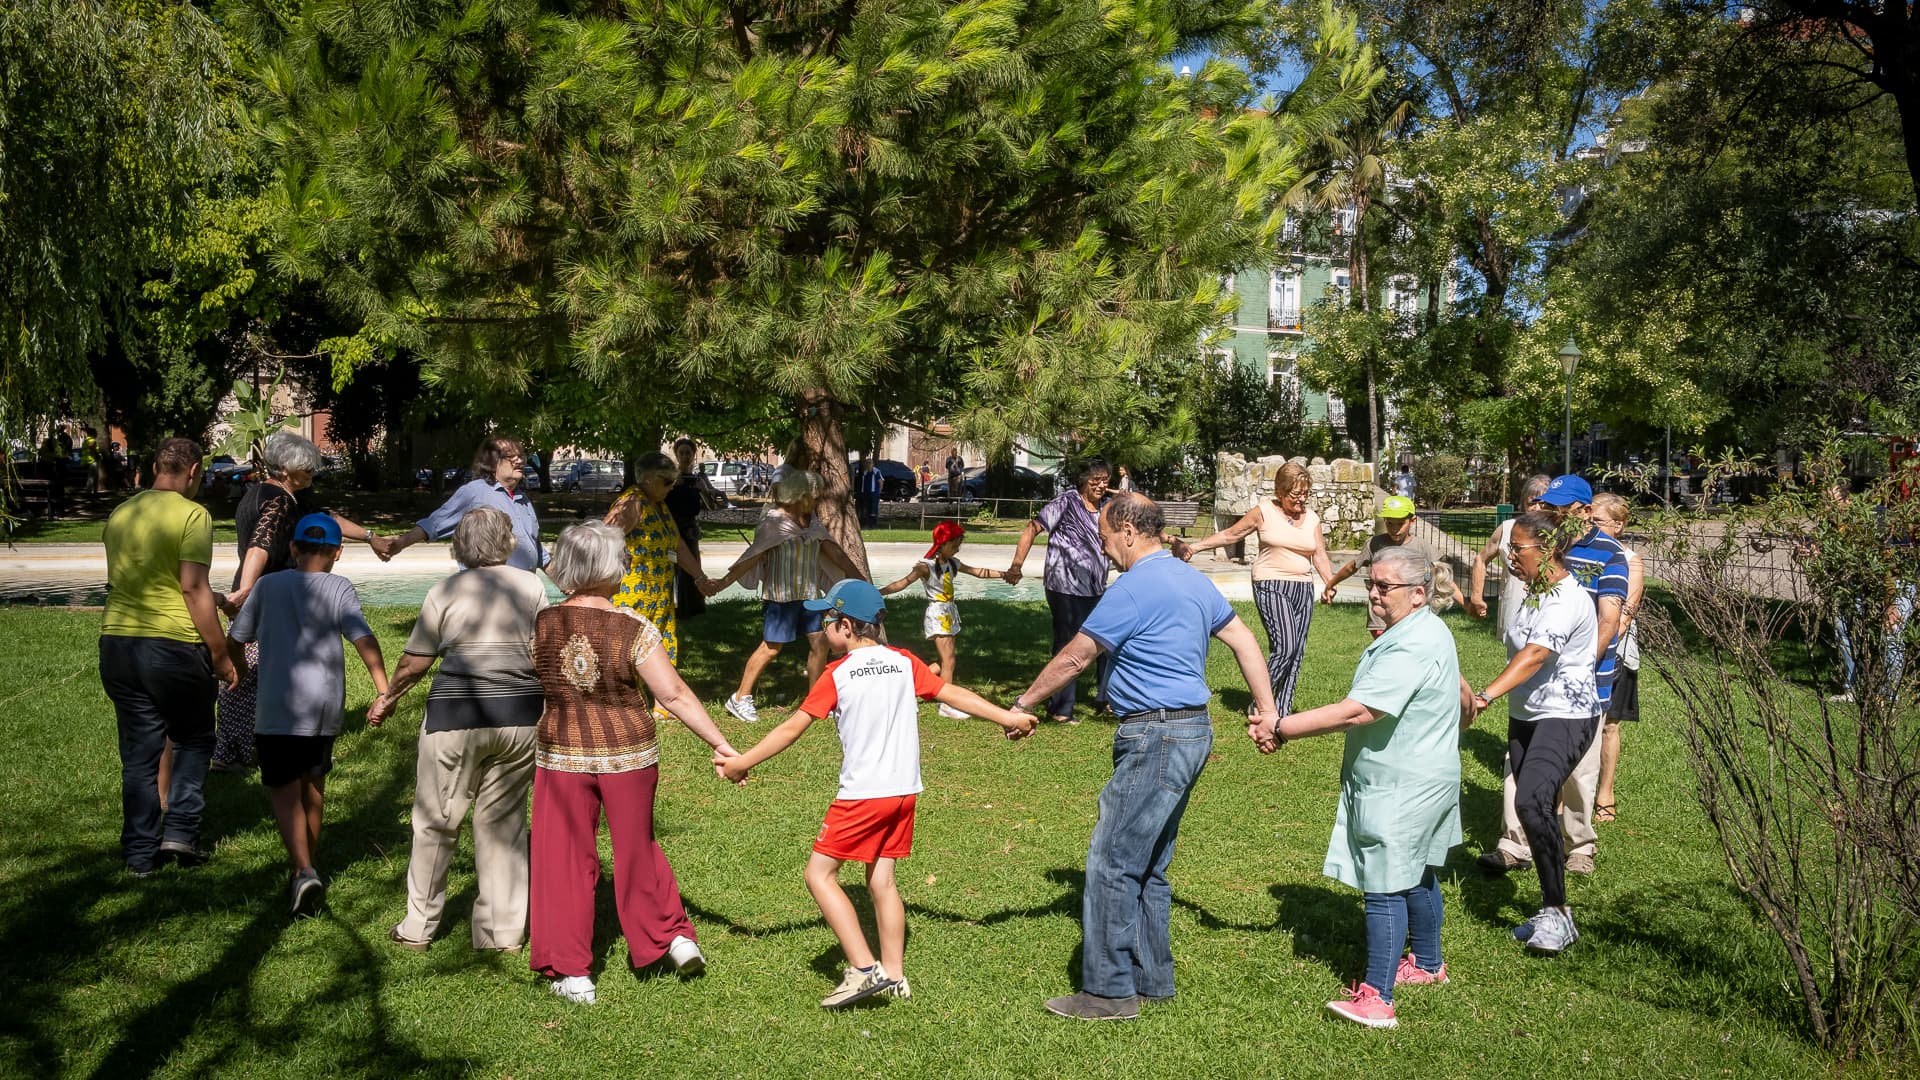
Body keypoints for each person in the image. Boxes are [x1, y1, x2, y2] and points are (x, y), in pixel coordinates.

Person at [1011, 494, 1280, 1020]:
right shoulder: (1192, 579)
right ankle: (1152, 978)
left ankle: (1108, 992)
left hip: (1154, 734)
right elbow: (1246, 642)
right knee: (1150, 862)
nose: (1105, 550)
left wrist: (1022, 704)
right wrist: (1267, 711)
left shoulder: (1134, 586)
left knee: (1111, 861)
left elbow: (1075, 655)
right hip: (1194, 731)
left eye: (1107, 539)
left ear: (1130, 532)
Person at [717, 579, 1035, 1007]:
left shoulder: (837, 674)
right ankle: (895, 975)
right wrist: (1006, 717)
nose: (822, 625)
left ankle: (865, 970)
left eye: (826, 618)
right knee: (882, 880)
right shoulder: (904, 662)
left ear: (846, 626)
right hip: (904, 791)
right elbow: (952, 692)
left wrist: (742, 762)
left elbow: (793, 727)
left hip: (862, 796)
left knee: (819, 875)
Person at [1252, 546, 1476, 1028]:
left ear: (1418, 594)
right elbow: (1461, 692)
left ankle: (1377, 997)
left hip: (1401, 783)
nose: (1374, 593)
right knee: (1417, 871)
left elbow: (1360, 711)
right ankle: (1430, 965)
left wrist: (1281, 726)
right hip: (1428, 774)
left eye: (1385, 587)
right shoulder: (1429, 628)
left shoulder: (1411, 641)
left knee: (1385, 881)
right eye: (1371, 584)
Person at [529, 522, 743, 1005]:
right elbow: (673, 694)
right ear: (609, 568)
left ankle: (574, 971)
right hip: (630, 753)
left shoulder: (541, 623)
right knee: (637, 847)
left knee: (563, 858)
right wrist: (721, 743)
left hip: (562, 753)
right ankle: (672, 936)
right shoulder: (633, 626)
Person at [370, 508, 548, 951]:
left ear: (461, 545)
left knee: (436, 821)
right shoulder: (529, 585)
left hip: (455, 716)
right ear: (506, 542)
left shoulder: (445, 590)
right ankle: (500, 933)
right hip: (521, 718)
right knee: (503, 824)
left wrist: (388, 697)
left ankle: (419, 927)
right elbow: (543, 650)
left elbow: (415, 662)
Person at [225, 514, 389, 916]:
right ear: (338, 552)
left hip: (279, 706)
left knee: (283, 791)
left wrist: (241, 671)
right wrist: (385, 690)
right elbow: (362, 638)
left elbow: (236, 639)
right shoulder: (339, 587)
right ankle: (307, 872)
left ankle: (302, 869)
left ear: (293, 549)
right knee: (313, 786)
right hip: (323, 706)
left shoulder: (267, 585)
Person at [99, 437, 240, 876]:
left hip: (118, 643)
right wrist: (220, 653)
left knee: (140, 754)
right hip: (174, 646)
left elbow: (144, 579)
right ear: (194, 471)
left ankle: (140, 855)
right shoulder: (193, 514)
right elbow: (190, 588)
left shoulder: (122, 513)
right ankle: (179, 832)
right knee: (194, 737)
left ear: (156, 466)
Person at [1477, 475, 1627, 878]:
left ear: (1582, 511)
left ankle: (1579, 844)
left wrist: (1574, 665)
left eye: (1558, 507)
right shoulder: (1547, 547)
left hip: (1583, 681)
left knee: (1579, 769)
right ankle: (1514, 842)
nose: (1548, 512)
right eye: (1548, 506)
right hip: (1534, 679)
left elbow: (1608, 620)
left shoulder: (1610, 554)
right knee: (1519, 760)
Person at [215, 432, 389, 772]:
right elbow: (260, 545)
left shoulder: (264, 494)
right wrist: (246, 590)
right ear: (284, 469)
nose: (311, 476)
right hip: (263, 597)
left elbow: (329, 518)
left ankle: (246, 747)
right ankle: (231, 754)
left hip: (265, 595)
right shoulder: (279, 502)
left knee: (252, 676)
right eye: (305, 470)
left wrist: (370, 537)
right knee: (243, 678)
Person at [1466, 511, 1599, 955]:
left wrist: (1484, 696)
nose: (1509, 557)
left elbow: (1536, 655)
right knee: (1534, 808)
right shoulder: (1533, 592)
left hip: (1567, 714)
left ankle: (1558, 913)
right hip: (1528, 714)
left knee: (1530, 801)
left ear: (1548, 551)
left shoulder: (1565, 598)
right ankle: (1550, 908)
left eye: (1517, 548)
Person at [1174, 462, 1335, 715]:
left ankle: (1281, 711)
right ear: (1281, 491)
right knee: (1285, 647)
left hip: (1302, 588)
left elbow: (1321, 556)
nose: (1301, 499)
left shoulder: (1312, 518)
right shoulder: (1264, 511)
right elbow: (1230, 535)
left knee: (1297, 651)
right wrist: (1195, 547)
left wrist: (1330, 583)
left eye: (1305, 493)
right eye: (1296, 494)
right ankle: (1261, 703)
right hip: (1270, 583)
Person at [704, 471, 863, 723]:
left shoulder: (812, 523)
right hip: (780, 598)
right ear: (801, 496)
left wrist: (861, 582)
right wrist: (721, 584)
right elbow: (751, 558)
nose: (818, 498)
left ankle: (815, 701)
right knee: (771, 648)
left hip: (810, 597)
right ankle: (739, 698)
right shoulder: (774, 522)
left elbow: (837, 555)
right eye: (814, 494)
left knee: (820, 644)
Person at [1006, 459, 1117, 722]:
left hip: (1094, 587)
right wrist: (1017, 564)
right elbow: (1032, 529)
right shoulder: (1066, 503)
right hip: (1063, 586)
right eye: (1095, 480)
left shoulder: (1106, 507)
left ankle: (1107, 699)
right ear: (1082, 481)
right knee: (1068, 644)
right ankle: (1060, 709)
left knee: (1108, 642)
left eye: (1105, 480)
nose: (1101, 485)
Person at [877, 521, 1010, 718]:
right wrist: (878, 592)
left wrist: (1005, 575)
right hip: (938, 614)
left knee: (943, 661)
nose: (957, 549)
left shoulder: (953, 564)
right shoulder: (926, 567)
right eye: (955, 545)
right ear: (943, 543)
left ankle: (908, 689)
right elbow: (903, 583)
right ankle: (947, 704)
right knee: (949, 660)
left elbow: (978, 572)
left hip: (949, 613)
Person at [605, 452, 711, 672]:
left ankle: (662, 706)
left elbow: (677, 544)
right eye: (667, 482)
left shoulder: (658, 504)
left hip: (659, 598)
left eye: (673, 481)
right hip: (632, 599)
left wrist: (699, 578)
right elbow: (603, 541)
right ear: (648, 479)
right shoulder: (631, 503)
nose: (672, 487)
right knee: (628, 658)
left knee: (660, 658)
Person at [386, 437, 545, 570]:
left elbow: (536, 549)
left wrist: (564, 583)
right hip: (489, 592)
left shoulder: (522, 500)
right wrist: (401, 542)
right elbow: (434, 524)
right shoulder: (474, 492)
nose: (519, 461)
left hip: (522, 594)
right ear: (492, 462)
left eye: (520, 456)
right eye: (510, 456)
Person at [1320, 495, 1466, 636]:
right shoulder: (1375, 544)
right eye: (1390, 523)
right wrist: (1330, 584)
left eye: (1400, 524)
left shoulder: (1422, 547)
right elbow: (1352, 567)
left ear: (1412, 520)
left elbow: (1444, 577)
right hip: (1380, 617)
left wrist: (1467, 605)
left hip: (1409, 614)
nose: (1395, 529)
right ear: (1384, 520)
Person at [1590, 493, 1644, 822]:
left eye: (1596, 521)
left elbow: (1625, 614)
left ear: (1618, 525)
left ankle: (1605, 792)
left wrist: (1598, 652)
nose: (1589, 526)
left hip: (1617, 653)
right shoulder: (1578, 551)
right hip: (1580, 649)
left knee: (1609, 725)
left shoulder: (1629, 559)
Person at [1467, 475, 1553, 634]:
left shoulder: (1559, 534)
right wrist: (1476, 597)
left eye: (1544, 503)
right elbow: (1480, 559)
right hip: (1513, 615)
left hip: (1549, 615)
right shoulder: (1507, 529)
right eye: (1532, 503)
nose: (1538, 508)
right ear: (1523, 503)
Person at [666, 438, 722, 619]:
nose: (685, 457)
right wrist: (673, 485)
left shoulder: (699, 478)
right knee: (670, 570)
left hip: (689, 529)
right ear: (676, 454)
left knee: (691, 569)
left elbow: (712, 506)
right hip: (671, 528)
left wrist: (703, 490)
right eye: (681, 453)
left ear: (693, 455)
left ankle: (692, 609)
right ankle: (670, 607)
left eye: (688, 453)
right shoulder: (669, 476)